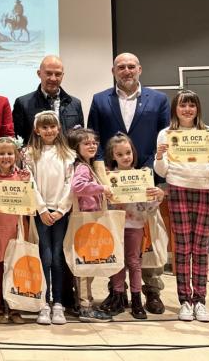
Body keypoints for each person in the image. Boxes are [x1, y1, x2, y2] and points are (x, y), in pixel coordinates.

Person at [87, 52, 170, 314]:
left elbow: (163, 140)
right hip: (113, 187)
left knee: (150, 239)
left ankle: (152, 290)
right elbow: (94, 143)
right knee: (116, 241)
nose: (126, 71)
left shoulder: (159, 100)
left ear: (140, 69)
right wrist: (105, 179)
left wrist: (145, 174)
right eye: (121, 67)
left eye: (131, 66)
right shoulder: (100, 100)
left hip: (145, 183)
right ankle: (117, 292)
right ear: (113, 71)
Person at [154, 90, 209, 322]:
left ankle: (200, 301)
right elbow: (162, 171)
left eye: (191, 106)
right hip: (178, 189)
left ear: (197, 109)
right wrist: (158, 156)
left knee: (201, 248)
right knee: (183, 248)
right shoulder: (166, 134)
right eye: (183, 105)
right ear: (175, 108)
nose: (187, 110)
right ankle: (185, 300)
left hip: (204, 189)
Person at [103, 133, 164, 320]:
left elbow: (149, 207)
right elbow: (102, 203)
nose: (125, 157)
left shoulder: (142, 176)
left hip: (135, 224)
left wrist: (158, 197)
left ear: (133, 153)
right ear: (113, 156)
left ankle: (137, 299)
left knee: (134, 262)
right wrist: (104, 196)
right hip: (114, 224)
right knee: (117, 262)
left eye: (128, 152)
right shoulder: (107, 178)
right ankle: (119, 297)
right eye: (120, 154)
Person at [23, 111, 75, 325]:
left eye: (52, 126)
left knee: (58, 257)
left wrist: (60, 210)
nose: (49, 131)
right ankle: (43, 302)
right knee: (44, 257)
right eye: (44, 127)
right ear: (37, 130)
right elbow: (30, 183)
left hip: (60, 213)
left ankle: (59, 303)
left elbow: (70, 184)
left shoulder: (68, 154)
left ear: (58, 128)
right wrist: (42, 209)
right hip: (41, 213)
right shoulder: (29, 154)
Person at [0, 137, 31, 324]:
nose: (6, 157)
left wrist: (28, 185)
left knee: (15, 268)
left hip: (17, 228)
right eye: (1, 153)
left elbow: (30, 203)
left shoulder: (23, 176)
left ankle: (15, 307)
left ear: (16, 154)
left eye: (10, 153)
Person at [67, 128, 113, 323]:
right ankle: (85, 306)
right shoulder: (82, 167)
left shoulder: (88, 165)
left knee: (87, 264)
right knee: (86, 265)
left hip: (88, 220)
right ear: (77, 147)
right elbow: (78, 187)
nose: (92, 145)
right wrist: (102, 187)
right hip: (85, 220)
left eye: (94, 142)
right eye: (86, 143)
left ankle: (83, 302)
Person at [12, 55, 84, 145]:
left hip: (69, 158)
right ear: (39, 73)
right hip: (35, 158)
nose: (53, 78)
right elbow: (18, 140)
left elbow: (80, 138)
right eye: (48, 73)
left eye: (58, 74)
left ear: (62, 75)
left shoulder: (75, 104)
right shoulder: (22, 103)